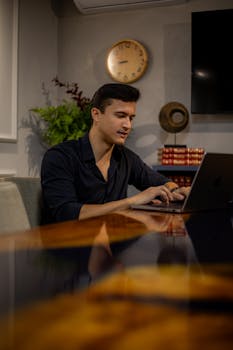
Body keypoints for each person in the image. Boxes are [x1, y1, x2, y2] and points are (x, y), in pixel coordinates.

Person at [41, 83, 189, 224]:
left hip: (113, 244)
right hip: (68, 245)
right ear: (96, 114)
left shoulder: (126, 158)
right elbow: (67, 213)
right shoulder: (59, 157)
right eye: (120, 116)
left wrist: (176, 190)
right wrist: (133, 201)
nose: (128, 125)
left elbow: (160, 181)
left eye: (131, 118)